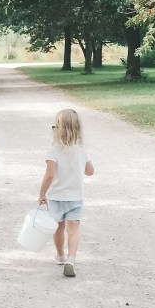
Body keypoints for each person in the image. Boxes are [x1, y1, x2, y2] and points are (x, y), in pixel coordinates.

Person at [38, 108, 95, 277]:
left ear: (61, 129)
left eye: (56, 125)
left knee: (58, 228)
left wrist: (42, 194)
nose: (53, 128)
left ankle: (60, 255)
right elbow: (90, 171)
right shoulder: (81, 149)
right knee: (73, 230)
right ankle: (71, 258)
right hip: (76, 198)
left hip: (56, 197)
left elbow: (49, 175)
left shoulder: (53, 150)